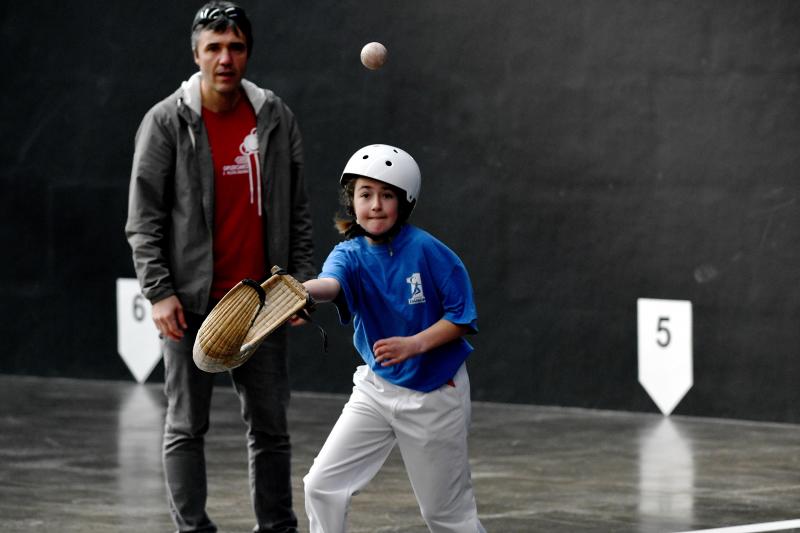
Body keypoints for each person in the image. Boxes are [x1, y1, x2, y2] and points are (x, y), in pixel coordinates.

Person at [125, 3, 314, 532]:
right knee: (186, 426)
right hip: (191, 302)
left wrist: (296, 280)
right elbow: (143, 220)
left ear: (247, 52)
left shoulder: (275, 116)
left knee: (272, 430)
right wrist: (159, 292)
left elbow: (297, 206)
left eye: (235, 47)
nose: (224, 58)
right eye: (214, 47)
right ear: (196, 54)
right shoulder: (166, 121)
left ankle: (276, 528)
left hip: (261, 301)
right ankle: (193, 529)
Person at [300, 144, 485, 532]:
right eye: (365, 194)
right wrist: (302, 294)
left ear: (405, 202)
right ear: (352, 201)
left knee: (445, 516)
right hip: (376, 388)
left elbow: (462, 317)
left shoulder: (429, 251)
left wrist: (414, 343)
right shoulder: (347, 254)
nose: (376, 205)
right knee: (321, 485)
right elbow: (331, 284)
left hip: (435, 394)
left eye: (387, 195)